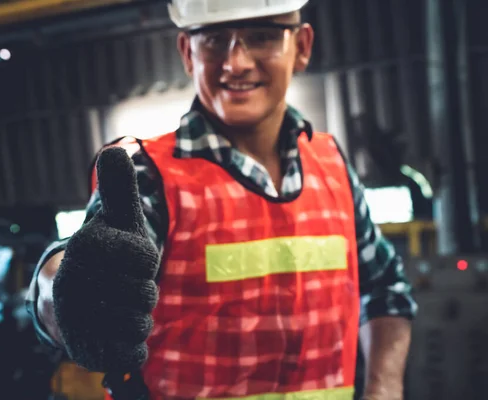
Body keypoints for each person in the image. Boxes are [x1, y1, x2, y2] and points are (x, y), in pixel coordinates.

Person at [26, 0, 418, 399]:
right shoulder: (150, 176)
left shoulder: (332, 163)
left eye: (262, 36)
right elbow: (88, 269)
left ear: (302, 45)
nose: (236, 63)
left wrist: (383, 387)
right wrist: (58, 291)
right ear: (187, 52)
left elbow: (386, 288)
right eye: (215, 39)